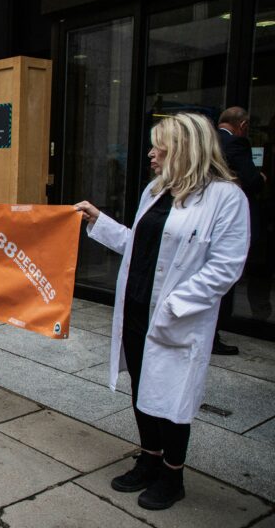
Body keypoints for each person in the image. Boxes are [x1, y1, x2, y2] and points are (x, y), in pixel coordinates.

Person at [75, 113, 249, 510]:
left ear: (185, 148)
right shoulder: (155, 190)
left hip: (176, 317)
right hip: (137, 309)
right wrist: (99, 221)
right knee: (142, 387)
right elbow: (139, 245)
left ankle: (173, 475)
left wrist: (175, 305)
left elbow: (226, 267)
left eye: (159, 146)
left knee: (173, 396)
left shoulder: (226, 198)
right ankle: (149, 459)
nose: (151, 153)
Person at [213, 106, 267, 354]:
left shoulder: (209, 140)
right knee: (226, 276)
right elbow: (252, 180)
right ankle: (214, 335)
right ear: (243, 125)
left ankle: (210, 333)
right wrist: (262, 178)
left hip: (210, 217)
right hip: (231, 219)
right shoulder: (238, 145)